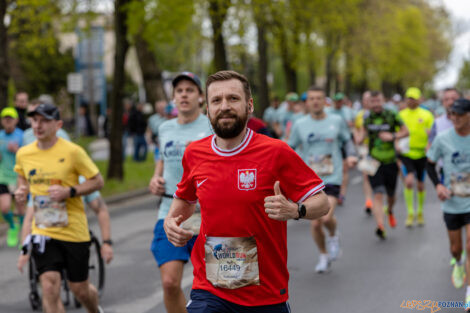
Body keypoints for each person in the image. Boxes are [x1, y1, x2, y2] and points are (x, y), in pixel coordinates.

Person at [164, 70, 329, 312]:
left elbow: (322, 202)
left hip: (265, 292)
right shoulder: (194, 153)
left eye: (233, 98)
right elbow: (185, 199)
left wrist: (296, 209)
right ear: (207, 109)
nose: (224, 106)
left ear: (249, 105)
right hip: (210, 288)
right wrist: (171, 220)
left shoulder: (276, 152)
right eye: (216, 101)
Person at [14, 103, 105, 313]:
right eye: (35, 120)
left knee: (79, 289)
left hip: (73, 230)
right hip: (43, 229)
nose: (38, 125)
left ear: (58, 125)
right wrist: (21, 191)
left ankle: (95, 309)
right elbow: (23, 178)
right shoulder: (24, 154)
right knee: (49, 285)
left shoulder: (73, 152)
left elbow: (97, 181)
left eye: (45, 120)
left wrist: (69, 192)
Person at [148, 72, 212, 313]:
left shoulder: (210, 125)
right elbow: (161, 158)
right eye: (179, 91)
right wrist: (156, 177)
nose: (184, 94)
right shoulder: (165, 128)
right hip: (170, 210)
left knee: (212, 285)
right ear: (173, 98)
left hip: (205, 213)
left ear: (200, 97)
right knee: (169, 282)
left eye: (190, 90)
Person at [288, 86, 357, 272]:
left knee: (326, 218)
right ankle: (323, 254)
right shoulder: (300, 124)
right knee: (316, 222)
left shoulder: (336, 120)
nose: (316, 101)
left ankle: (333, 235)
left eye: (319, 98)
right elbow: (289, 147)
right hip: (309, 181)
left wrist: (351, 155)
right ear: (307, 102)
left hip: (332, 177)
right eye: (312, 99)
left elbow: (347, 139)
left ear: (324, 101)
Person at [426, 99, 470, 306]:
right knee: (456, 248)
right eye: (453, 114)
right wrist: (438, 186)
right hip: (452, 202)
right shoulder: (443, 139)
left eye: (460, 114)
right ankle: (458, 262)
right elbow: (430, 165)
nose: (456, 118)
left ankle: (469, 291)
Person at [356, 91, 408, 239]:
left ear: (383, 100)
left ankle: (390, 210)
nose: (376, 104)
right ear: (369, 103)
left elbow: (406, 131)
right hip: (374, 161)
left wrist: (392, 136)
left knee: (391, 195)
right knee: (378, 194)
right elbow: (362, 134)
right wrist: (358, 138)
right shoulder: (367, 117)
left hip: (390, 161)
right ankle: (380, 225)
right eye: (373, 101)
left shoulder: (392, 115)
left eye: (378, 101)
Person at [398, 87, 434, 227]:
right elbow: (396, 132)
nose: (410, 100)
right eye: (408, 98)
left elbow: (433, 134)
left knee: (420, 185)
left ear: (419, 99)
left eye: (413, 98)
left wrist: (429, 145)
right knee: (408, 182)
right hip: (407, 154)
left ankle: (420, 211)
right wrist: (396, 144)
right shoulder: (401, 115)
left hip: (422, 154)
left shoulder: (426, 115)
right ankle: (410, 212)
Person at [0, 107, 24, 247]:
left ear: (16, 120)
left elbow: (29, 154)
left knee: (20, 208)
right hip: (3, 177)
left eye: (10, 118)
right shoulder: (0, 136)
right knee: (5, 208)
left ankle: (23, 234)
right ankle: (12, 226)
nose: (7, 121)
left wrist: (17, 151)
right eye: (5, 118)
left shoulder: (22, 136)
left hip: (18, 177)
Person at [354, 91, 374, 215]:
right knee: (366, 174)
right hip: (365, 147)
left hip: (378, 147)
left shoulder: (379, 113)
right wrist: (358, 138)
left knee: (377, 175)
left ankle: (379, 199)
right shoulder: (360, 115)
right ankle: (368, 200)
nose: (367, 101)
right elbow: (356, 130)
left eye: (369, 99)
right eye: (365, 99)